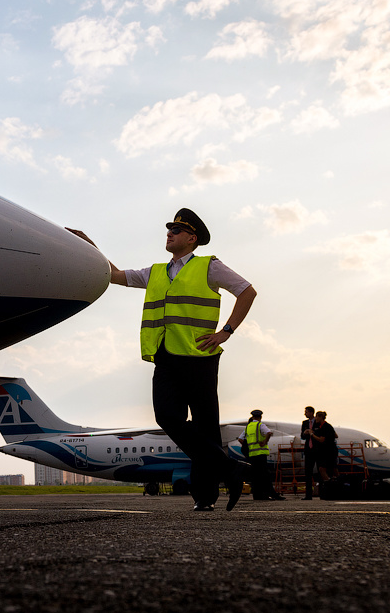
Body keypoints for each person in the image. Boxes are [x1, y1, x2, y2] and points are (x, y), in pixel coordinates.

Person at [68, 208, 257, 512]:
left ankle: (204, 497)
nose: (168, 234)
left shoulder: (209, 266)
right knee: (167, 418)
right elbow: (116, 276)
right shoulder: (155, 272)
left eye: (176, 231)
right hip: (166, 355)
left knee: (206, 426)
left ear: (191, 238)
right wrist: (90, 247)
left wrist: (227, 331)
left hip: (199, 355)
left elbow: (246, 291)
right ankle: (230, 470)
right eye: (168, 230)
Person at [244, 409, 285, 500]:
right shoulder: (260, 425)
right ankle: (271, 494)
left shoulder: (248, 427)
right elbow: (269, 432)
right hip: (261, 454)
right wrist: (265, 441)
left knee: (255, 476)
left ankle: (257, 495)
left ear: (252, 416)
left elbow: (240, 438)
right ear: (260, 417)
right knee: (265, 475)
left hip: (252, 455)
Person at [311, 410, 339, 490]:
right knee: (333, 468)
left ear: (320, 417)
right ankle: (337, 482)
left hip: (328, 451)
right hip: (330, 450)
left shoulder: (324, 427)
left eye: (316, 417)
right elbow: (336, 435)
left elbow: (321, 440)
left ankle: (328, 483)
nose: (315, 419)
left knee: (322, 469)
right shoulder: (327, 426)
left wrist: (312, 434)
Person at [301, 405, 317, 500]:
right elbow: (302, 436)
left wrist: (313, 432)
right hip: (308, 450)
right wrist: (305, 433)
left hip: (317, 450)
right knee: (308, 473)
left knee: (320, 471)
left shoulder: (318, 422)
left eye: (306, 412)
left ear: (311, 413)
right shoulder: (305, 423)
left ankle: (323, 493)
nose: (305, 414)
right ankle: (308, 495)